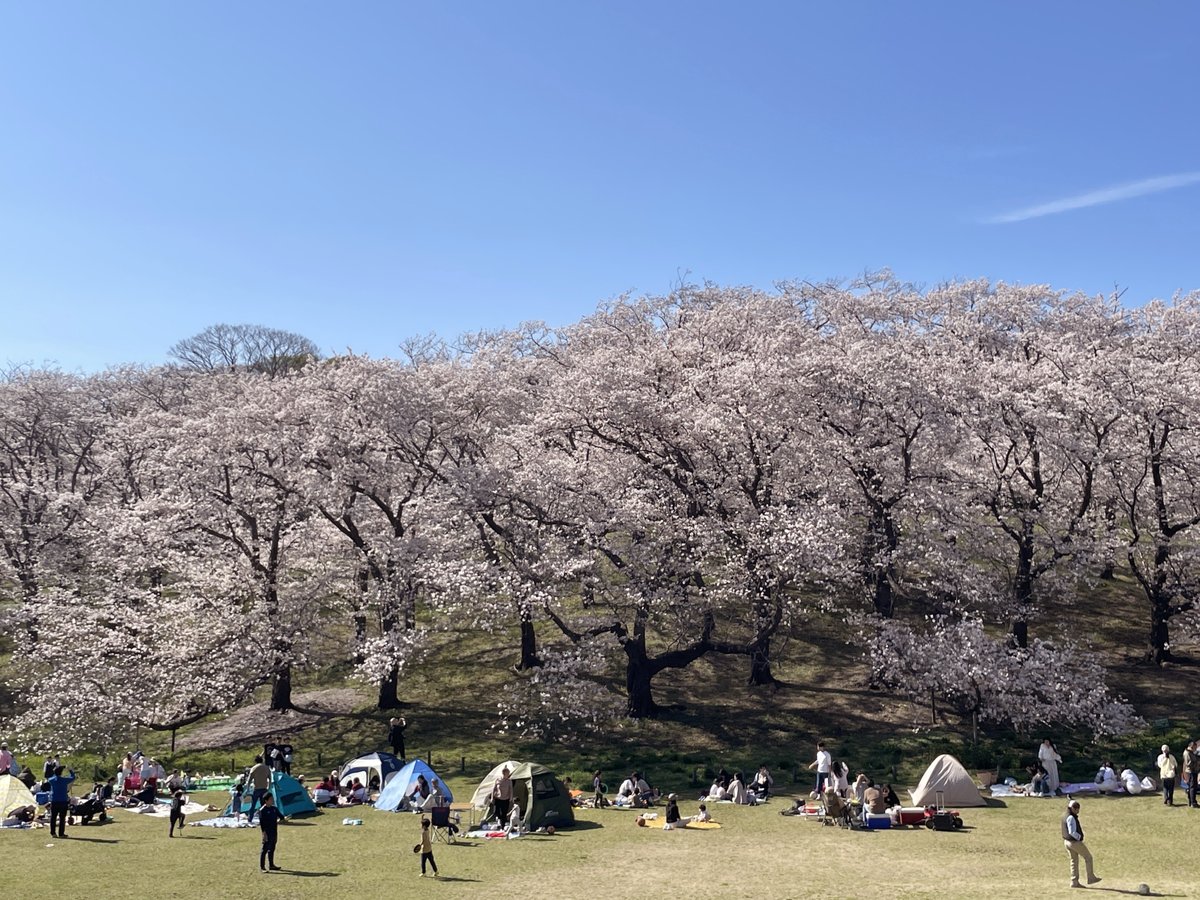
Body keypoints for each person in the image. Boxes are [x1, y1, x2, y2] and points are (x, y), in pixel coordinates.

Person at [1061, 799, 1101, 888]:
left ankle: (1074, 881)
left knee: (1073, 861)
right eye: (1077, 809)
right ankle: (1091, 878)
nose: (1078, 811)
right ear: (1073, 809)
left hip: (1066, 842)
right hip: (1074, 842)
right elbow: (1072, 832)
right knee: (1088, 857)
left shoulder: (1064, 815)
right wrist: (1079, 838)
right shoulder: (1071, 817)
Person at [47, 764, 75, 838]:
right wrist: (70, 770)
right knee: (62, 818)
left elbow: (49, 778)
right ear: (61, 773)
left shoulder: (51, 780)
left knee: (53, 817)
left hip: (54, 800)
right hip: (63, 800)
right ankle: (61, 833)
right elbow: (73, 777)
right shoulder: (64, 780)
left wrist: (57, 770)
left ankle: (53, 833)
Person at [258, 793, 284, 872]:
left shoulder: (274, 809)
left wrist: (281, 820)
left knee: (272, 848)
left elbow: (281, 817)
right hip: (267, 832)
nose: (272, 800)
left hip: (274, 832)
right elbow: (262, 824)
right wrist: (264, 834)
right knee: (265, 849)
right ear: (266, 800)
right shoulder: (262, 810)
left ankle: (271, 865)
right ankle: (262, 867)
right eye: (271, 799)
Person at [247, 755, 272, 820]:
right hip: (264, 789)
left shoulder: (254, 768)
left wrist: (248, 789)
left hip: (256, 789)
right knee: (264, 805)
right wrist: (269, 788)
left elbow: (249, 780)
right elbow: (270, 779)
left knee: (253, 805)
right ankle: (264, 818)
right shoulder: (267, 768)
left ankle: (250, 818)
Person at [1183, 740, 1199, 809]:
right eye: (1195, 747)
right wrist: (1197, 763)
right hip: (1191, 772)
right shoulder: (1187, 753)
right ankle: (1193, 802)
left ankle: (1192, 801)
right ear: (1192, 746)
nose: (1195, 749)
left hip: (1193, 771)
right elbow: (1189, 764)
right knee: (1192, 788)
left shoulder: (1191, 753)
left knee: (1192, 787)